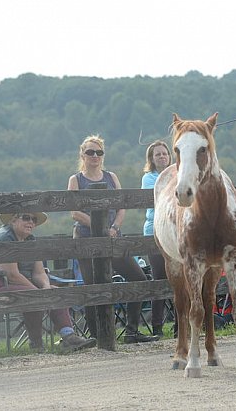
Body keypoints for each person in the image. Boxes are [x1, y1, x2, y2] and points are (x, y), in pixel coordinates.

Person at [68, 135, 158, 343]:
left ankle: (132, 330)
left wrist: (114, 227)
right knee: (94, 287)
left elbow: (121, 205)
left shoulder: (111, 177)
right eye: (90, 152)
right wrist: (99, 227)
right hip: (86, 238)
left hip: (113, 237)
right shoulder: (76, 180)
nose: (94, 156)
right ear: (82, 154)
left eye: (98, 152)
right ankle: (96, 335)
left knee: (139, 279)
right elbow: (74, 212)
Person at [0, 214, 96, 352]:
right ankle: (37, 345)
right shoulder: (4, 237)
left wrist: (45, 288)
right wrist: (38, 293)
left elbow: (39, 272)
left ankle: (68, 337)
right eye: (26, 217)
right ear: (13, 219)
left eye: (34, 219)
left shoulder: (30, 239)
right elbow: (11, 275)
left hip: (23, 285)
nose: (31, 222)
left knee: (54, 291)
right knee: (33, 296)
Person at [141, 140, 173, 337]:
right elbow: (164, 196)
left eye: (164, 153)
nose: (162, 157)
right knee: (159, 278)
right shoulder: (149, 178)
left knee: (180, 279)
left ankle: (181, 324)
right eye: (158, 155)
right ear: (152, 159)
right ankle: (157, 326)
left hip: (175, 231)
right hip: (155, 230)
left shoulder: (177, 174)